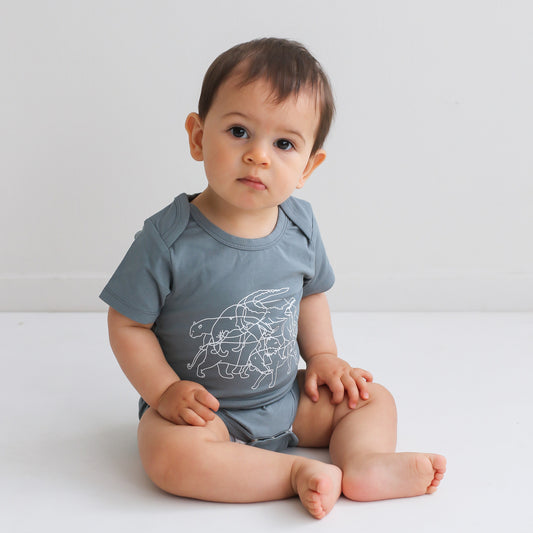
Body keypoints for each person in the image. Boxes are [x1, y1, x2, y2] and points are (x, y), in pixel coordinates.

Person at [100, 37, 446, 520]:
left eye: (284, 144)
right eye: (239, 131)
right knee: (166, 455)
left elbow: (310, 295)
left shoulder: (300, 226)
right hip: (204, 416)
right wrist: (163, 392)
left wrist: (324, 358)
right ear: (198, 137)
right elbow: (127, 323)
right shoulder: (168, 240)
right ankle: (291, 475)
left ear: (308, 166)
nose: (259, 156)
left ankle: (364, 464)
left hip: (287, 398)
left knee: (370, 398)